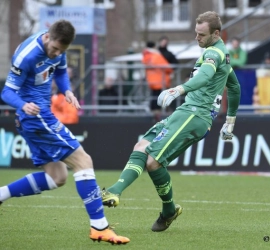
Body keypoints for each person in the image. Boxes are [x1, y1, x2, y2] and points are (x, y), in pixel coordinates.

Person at [101, 11, 241, 232]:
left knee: (153, 161)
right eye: (196, 33)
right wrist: (230, 121)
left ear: (216, 33)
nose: (197, 38)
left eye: (201, 35)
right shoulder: (220, 52)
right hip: (186, 111)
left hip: (196, 115)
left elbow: (204, 76)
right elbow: (234, 87)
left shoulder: (214, 53)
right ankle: (153, 204)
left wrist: (179, 88)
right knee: (142, 147)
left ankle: (125, 194)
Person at [0, 20, 129, 244]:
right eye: (55, 49)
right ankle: (100, 227)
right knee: (83, 161)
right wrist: (22, 105)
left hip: (35, 118)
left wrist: (67, 91)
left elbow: (59, 72)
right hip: (36, 116)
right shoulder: (27, 56)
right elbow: (7, 92)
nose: (57, 53)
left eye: (62, 50)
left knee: (57, 177)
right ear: (47, 37)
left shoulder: (59, 47)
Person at [142, 41, 173, 122]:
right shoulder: (156, 56)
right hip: (160, 80)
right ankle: (158, 114)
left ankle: (153, 112)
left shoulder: (146, 56)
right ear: (154, 47)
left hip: (151, 80)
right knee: (159, 97)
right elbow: (167, 67)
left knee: (154, 96)